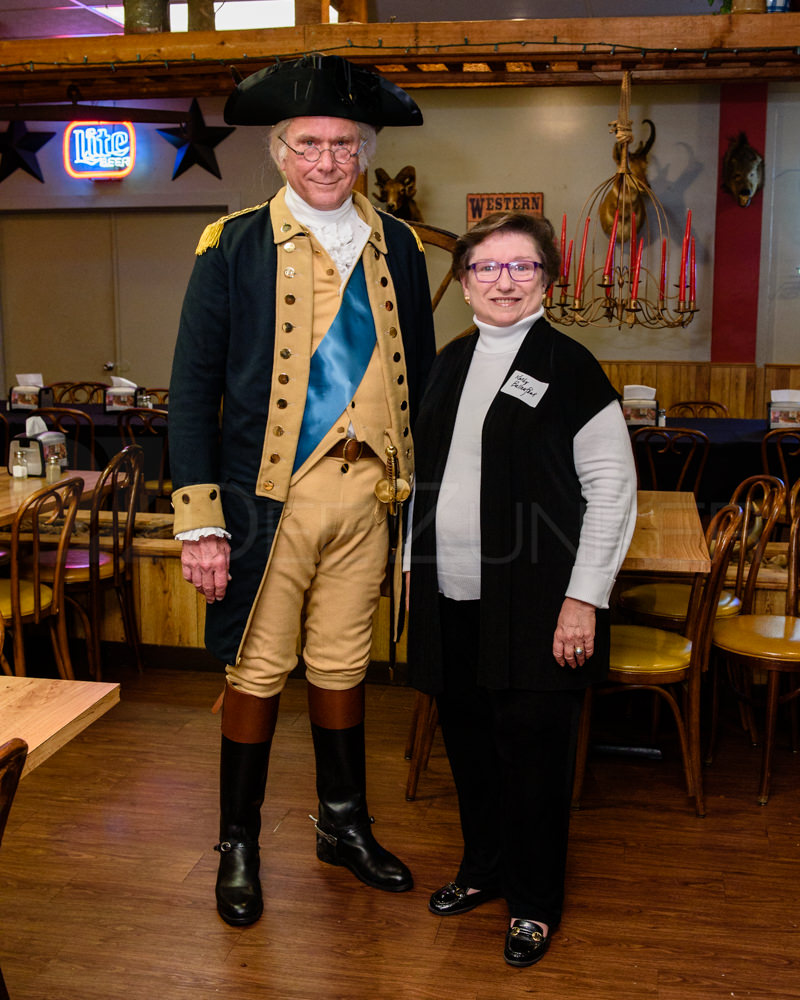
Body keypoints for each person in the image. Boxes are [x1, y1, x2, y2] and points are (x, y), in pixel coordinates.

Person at [168, 54, 435, 927]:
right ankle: (237, 843)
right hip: (266, 504)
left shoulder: (398, 243)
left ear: (364, 151)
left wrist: (422, 507)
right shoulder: (233, 242)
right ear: (281, 151)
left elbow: (421, 380)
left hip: (369, 498)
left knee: (342, 663)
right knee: (256, 672)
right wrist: (201, 524)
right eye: (310, 144)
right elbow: (193, 386)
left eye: (344, 144)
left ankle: (343, 825)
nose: (328, 160)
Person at [406, 211, 637, 967]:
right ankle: (484, 869)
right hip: (453, 597)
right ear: (465, 279)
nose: (503, 281)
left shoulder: (571, 368)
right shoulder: (447, 362)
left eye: (522, 267)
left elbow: (611, 490)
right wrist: (411, 573)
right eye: (487, 267)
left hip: (540, 600)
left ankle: (535, 902)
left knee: (534, 760)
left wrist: (584, 598)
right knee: (468, 747)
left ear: (547, 277)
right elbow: (424, 483)